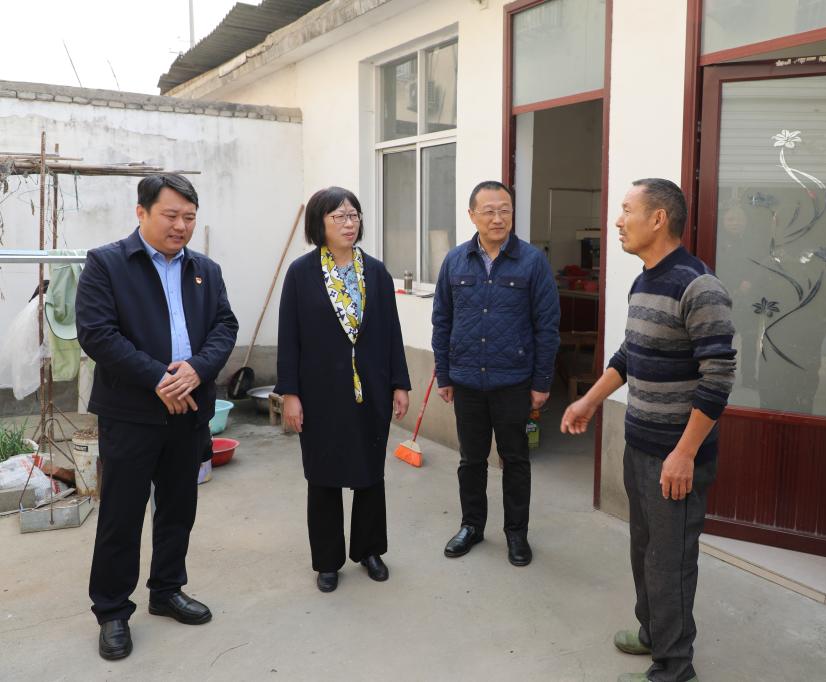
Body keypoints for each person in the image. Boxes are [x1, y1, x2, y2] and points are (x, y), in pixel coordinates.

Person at [561, 179, 736, 682]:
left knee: (669, 562)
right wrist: (589, 400)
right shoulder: (644, 280)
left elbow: (718, 377)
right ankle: (653, 633)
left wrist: (684, 453)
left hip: (674, 456)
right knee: (644, 550)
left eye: (626, 210)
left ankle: (674, 668)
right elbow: (629, 354)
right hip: (639, 444)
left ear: (658, 219)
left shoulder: (699, 287)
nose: (617, 221)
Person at [76, 174, 238, 661]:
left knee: (178, 507)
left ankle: (167, 590)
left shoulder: (205, 269)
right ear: (141, 212)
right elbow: (97, 333)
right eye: (171, 215)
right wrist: (158, 379)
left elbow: (225, 325)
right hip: (131, 412)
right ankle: (112, 610)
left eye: (189, 217)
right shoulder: (107, 263)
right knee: (121, 513)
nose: (181, 226)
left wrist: (197, 369)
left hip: (189, 409)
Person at [276, 186, 411, 593]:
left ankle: (370, 550)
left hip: (371, 388)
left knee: (370, 471)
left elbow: (391, 332)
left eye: (353, 215)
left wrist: (400, 383)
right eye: (339, 216)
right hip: (320, 392)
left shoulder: (377, 272)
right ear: (319, 223)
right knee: (323, 475)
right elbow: (289, 338)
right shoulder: (301, 274)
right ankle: (327, 560)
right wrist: (290, 394)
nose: (349, 223)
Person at [431, 180, 560, 567]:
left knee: (515, 460)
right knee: (471, 460)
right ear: (472, 215)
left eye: (505, 210)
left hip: (513, 382)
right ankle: (471, 526)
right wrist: (444, 374)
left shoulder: (532, 262)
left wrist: (541, 382)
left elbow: (547, 327)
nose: (498, 218)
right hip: (467, 381)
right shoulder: (455, 261)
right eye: (488, 211)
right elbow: (442, 320)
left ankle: (516, 533)